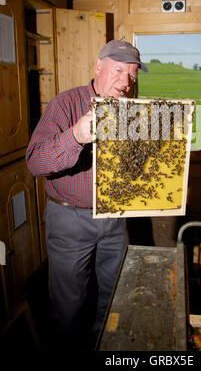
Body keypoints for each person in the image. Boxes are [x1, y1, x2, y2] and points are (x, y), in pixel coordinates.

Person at [26, 40, 148, 349]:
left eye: (132, 74)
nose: (125, 82)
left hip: (114, 217)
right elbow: (35, 162)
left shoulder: (132, 110)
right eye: (119, 70)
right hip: (69, 219)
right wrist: (76, 136)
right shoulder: (64, 104)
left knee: (115, 295)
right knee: (69, 304)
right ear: (98, 66)